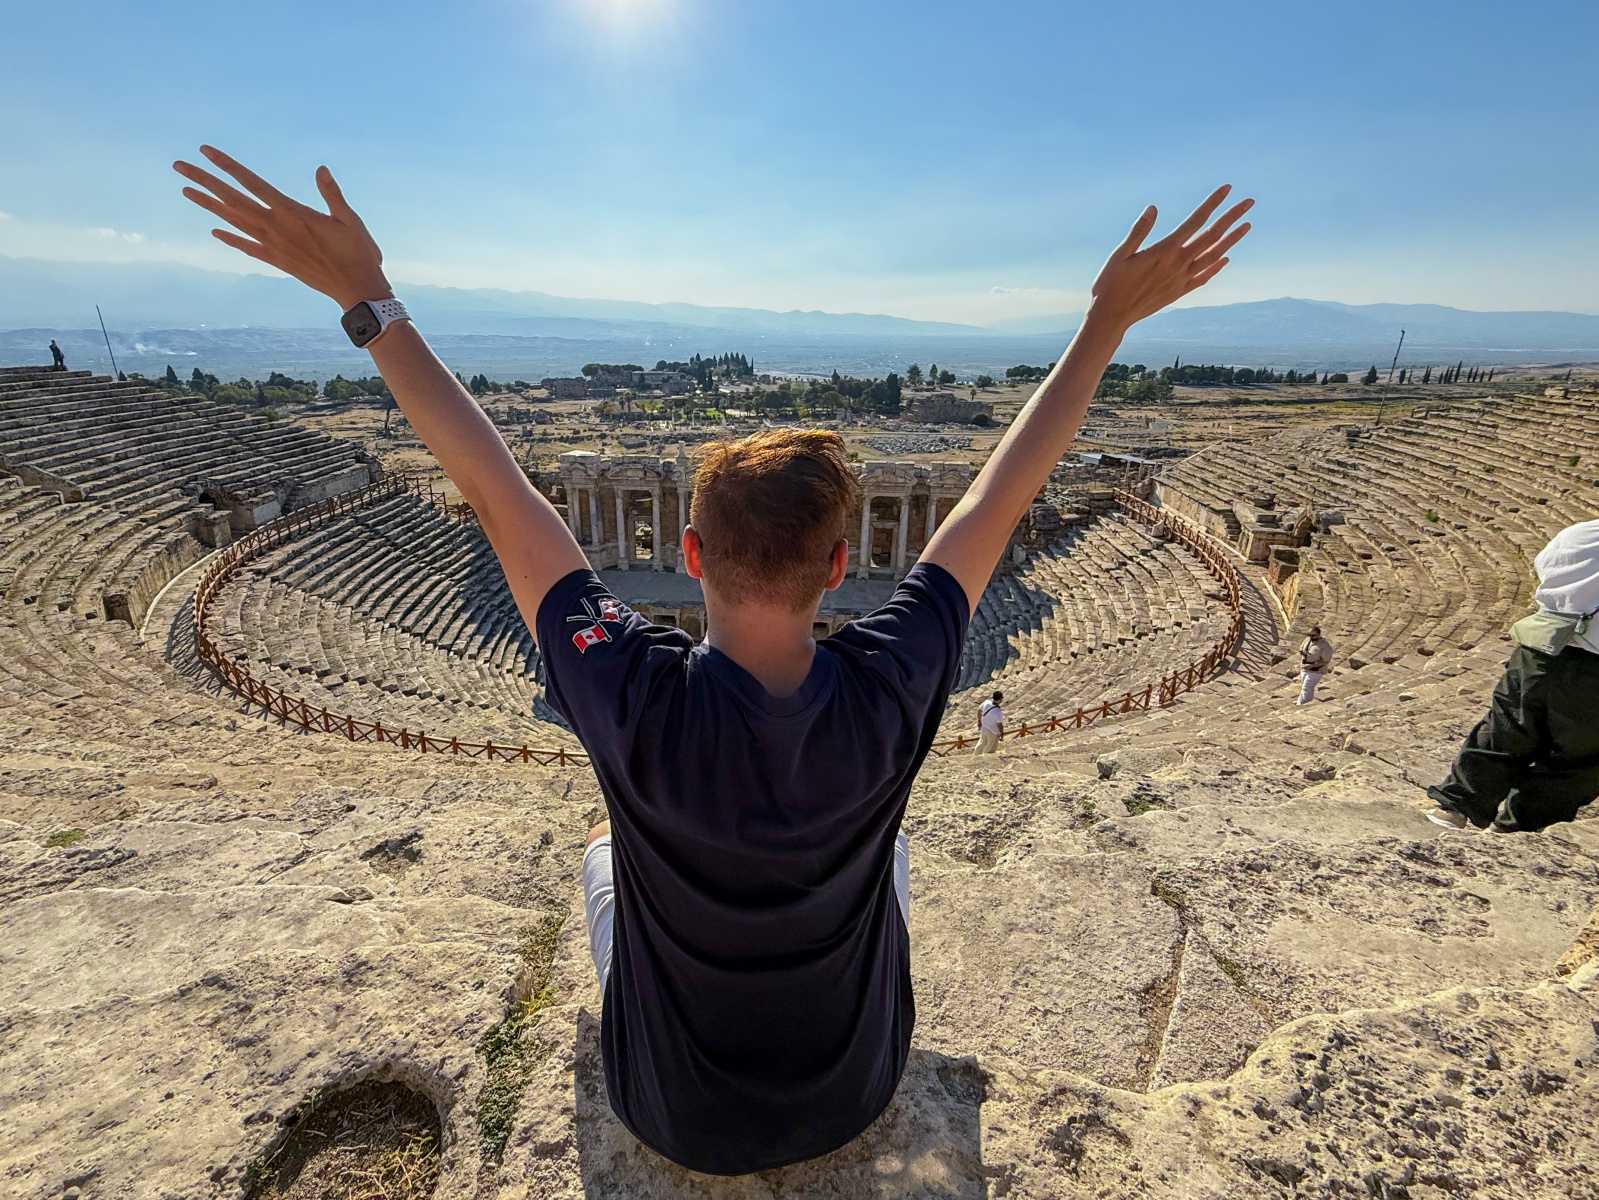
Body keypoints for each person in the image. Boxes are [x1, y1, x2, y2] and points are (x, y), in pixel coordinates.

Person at [174, 144, 1251, 1175]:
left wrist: (370, 300)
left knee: (604, 854)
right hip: (855, 1092)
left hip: (670, 1111)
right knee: (892, 851)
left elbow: (502, 493)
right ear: (840, 564)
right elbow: (994, 497)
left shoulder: (627, 690)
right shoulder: (894, 680)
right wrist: (1105, 322)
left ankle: (623, 845)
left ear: (689, 554)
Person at [1427, 519, 1599, 833]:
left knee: (1506, 725)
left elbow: (1546, 565)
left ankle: (1456, 806)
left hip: (1539, 647)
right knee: (1580, 757)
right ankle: (1521, 825)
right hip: (1593, 668)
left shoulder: (1582, 533)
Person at [1296, 625, 1332, 704]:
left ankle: (1301, 704)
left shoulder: (1325, 646)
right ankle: (1303, 701)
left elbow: (1326, 660)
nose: (1311, 637)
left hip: (1316, 670)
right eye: (1309, 635)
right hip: (1304, 667)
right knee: (1304, 686)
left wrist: (1312, 665)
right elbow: (1301, 648)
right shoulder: (1308, 640)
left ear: (1318, 635)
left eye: (1313, 635)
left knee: (1306, 687)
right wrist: (1302, 652)